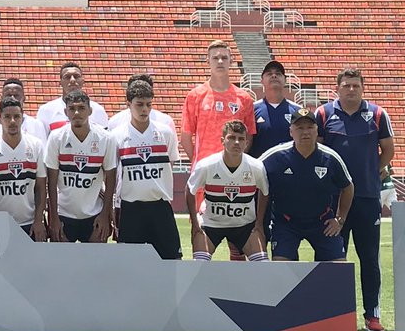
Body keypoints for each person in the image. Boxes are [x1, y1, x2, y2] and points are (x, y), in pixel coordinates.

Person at [316, 67, 395, 331]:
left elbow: (389, 150)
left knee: (369, 258)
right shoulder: (323, 114)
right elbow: (317, 150)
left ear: (363, 88)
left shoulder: (378, 114)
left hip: (367, 197)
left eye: (356, 86)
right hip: (333, 200)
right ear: (337, 88)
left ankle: (372, 314)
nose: (351, 90)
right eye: (346, 85)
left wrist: (372, 170)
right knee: (332, 257)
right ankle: (330, 312)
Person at [260, 106, 354, 263]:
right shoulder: (275, 155)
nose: (305, 132)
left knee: (338, 268)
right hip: (286, 223)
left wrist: (340, 219)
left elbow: (348, 186)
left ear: (317, 131)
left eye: (310, 127)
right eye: (300, 128)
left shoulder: (330, 157)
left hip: (322, 221)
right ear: (291, 132)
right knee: (281, 268)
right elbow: (252, 170)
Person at [105, 76, 182, 259]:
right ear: (129, 104)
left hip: (160, 206)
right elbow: (112, 174)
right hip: (131, 208)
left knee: (172, 260)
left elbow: (170, 163)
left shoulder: (165, 132)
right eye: (139, 104)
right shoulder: (116, 136)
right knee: (130, 263)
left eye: (148, 104)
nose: (144, 109)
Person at [187, 120, 269, 261]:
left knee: (263, 264)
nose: (236, 142)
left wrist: (259, 223)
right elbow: (189, 190)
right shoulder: (207, 165)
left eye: (241, 139)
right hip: (211, 224)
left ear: (246, 143)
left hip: (244, 225)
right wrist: (195, 223)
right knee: (199, 264)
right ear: (222, 141)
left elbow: (265, 192)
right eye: (231, 138)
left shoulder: (256, 167)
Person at [44, 89, 113, 243]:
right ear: (65, 112)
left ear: (90, 110)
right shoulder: (56, 137)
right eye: (72, 108)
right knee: (62, 258)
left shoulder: (105, 138)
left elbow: (111, 178)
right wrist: (54, 217)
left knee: (96, 258)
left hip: (94, 213)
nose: (76, 113)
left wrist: (105, 215)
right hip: (64, 213)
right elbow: (51, 181)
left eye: (81, 108)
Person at [180, 41, 256, 168]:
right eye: (215, 58)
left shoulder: (244, 98)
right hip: (204, 170)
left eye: (224, 58)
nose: (220, 61)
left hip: (233, 170)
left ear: (231, 61)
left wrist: (235, 161)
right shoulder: (195, 96)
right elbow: (185, 137)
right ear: (208, 61)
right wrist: (198, 163)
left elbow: (249, 136)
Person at [248, 60, 298, 248]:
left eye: (278, 73)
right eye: (269, 73)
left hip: (288, 182)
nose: (274, 75)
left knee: (286, 233)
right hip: (259, 181)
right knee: (258, 228)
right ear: (262, 81)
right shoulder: (252, 109)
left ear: (285, 80)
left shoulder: (296, 111)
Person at [0, 96, 47, 239]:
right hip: (1, 223)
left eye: (16, 116)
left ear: (22, 119)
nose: (12, 121)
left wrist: (38, 220)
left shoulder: (36, 145)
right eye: (7, 117)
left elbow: (41, 187)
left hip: (30, 223)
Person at [36, 62, 110, 136]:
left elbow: (105, 138)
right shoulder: (46, 110)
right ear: (60, 82)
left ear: (82, 81)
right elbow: (42, 141)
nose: (72, 80)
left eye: (76, 76)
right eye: (67, 77)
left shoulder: (97, 110)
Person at [0, 78, 48, 143]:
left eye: (16, 95)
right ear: (2, 98)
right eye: (8, 95)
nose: (12, 98)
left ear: (24, 98)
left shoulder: (36, 125)